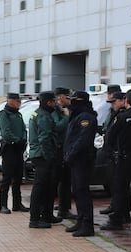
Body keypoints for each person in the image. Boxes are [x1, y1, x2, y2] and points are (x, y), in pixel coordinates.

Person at [100, 89, 131, 234]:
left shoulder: (122, 117)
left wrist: (109, 152)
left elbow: (110, 136)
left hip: (124, 157)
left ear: (126, 101)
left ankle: (116, 220)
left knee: (120, 189)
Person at [63, 91, 98, 237]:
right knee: (77, 191)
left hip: (82, 159)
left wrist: (71, 154)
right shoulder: (77, 115)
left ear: (80, 101)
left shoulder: (86, 117)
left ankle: (87, 225)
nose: (71, 103)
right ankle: (81, 219)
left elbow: (83, 140)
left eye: (74, 100)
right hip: (75, 159)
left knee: (83, 191)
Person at [28, 91, 58, 228]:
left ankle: (47, 216)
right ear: (49, 102)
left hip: (38, 154)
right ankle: (35, 219)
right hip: (42, 156)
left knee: (46, 187)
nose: (56, 103)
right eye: (54, 101)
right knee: (40, 187)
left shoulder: (37, 112)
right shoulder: (44, 116)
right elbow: (44, 138)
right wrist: (49, 156)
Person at [0, 93, 29, 214]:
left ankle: (17, 204)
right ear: (11, 101)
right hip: (9, 149)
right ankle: (3, 205)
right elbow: (6, 132)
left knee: (18, 177)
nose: (20, 104)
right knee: (7, 178)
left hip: (18, 149)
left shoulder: (18, 115)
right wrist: (16, 140)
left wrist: (23, 139)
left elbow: (23, 130)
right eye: (18, 101)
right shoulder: (4, 115)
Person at [50, 87, 76, 219]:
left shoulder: (68, 110)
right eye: (68, 97)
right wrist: (66, 117)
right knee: (59, 180)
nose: (70, 100)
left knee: (66, 181)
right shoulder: (56, 111)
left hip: (67, 148)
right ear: (61, 98)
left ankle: (65, 208)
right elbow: (57, 127)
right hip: (59, 149)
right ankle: (61, 209)